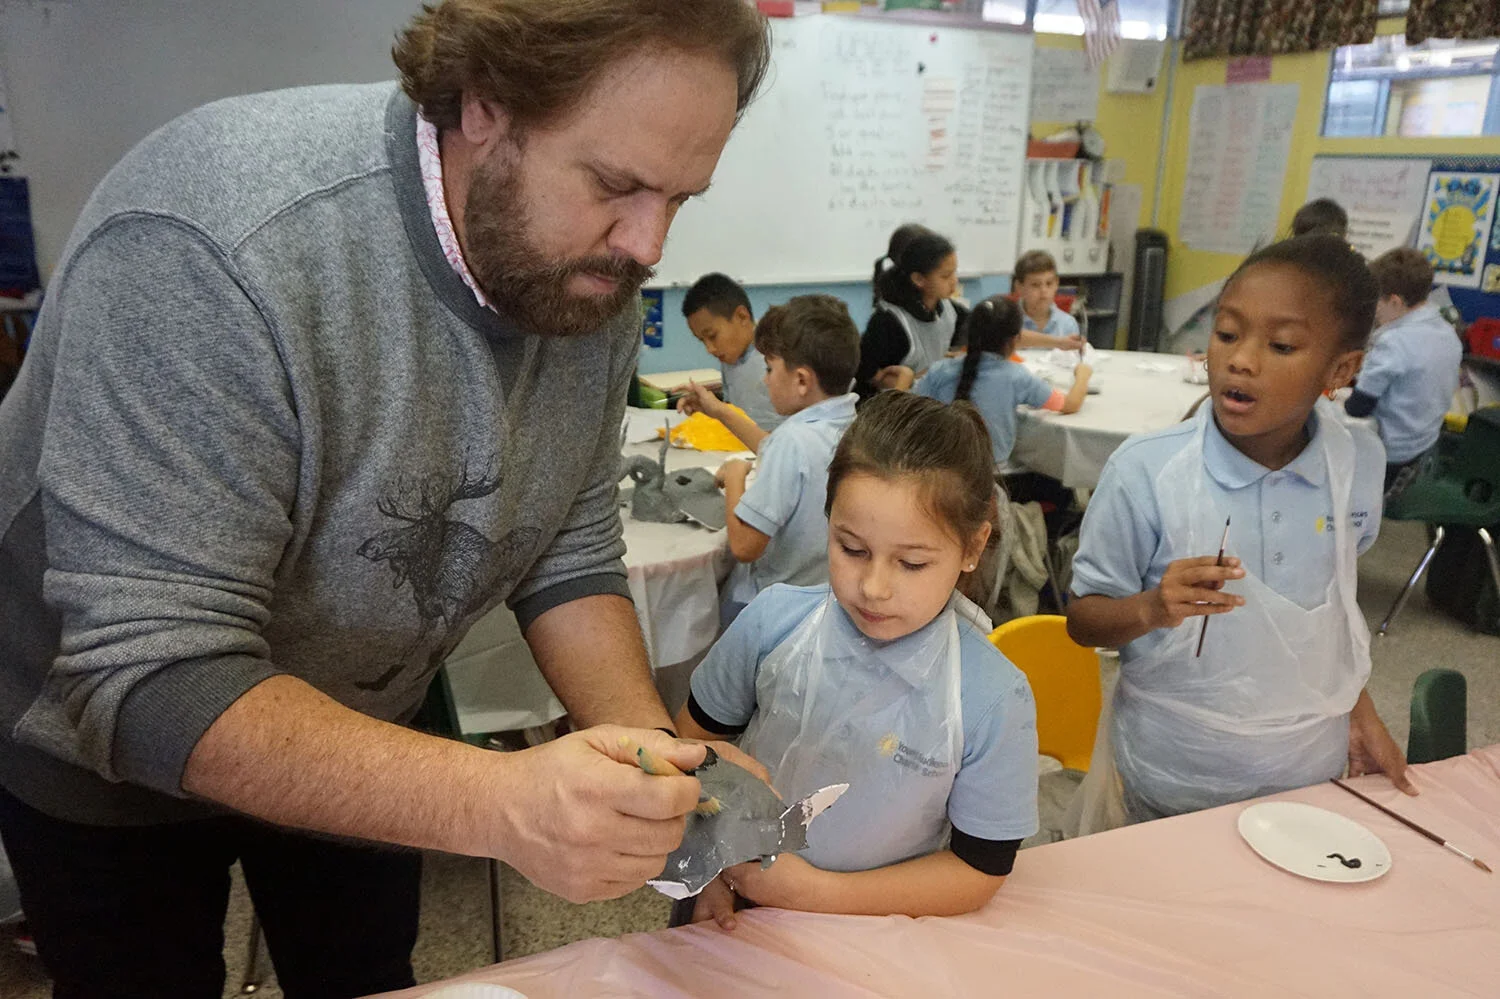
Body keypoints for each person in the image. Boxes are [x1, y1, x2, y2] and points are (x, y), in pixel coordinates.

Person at [0, 2, 772, 995]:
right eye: (615, 184)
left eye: (681, 198)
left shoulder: (591, 272)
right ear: (484, 105)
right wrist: (506, 802)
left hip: (361, 715)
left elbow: (568, 551)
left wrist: (658, 764)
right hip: (101, 759)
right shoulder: (214, 241)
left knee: (365, 969)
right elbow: (155, 677)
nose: (648, 243)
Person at [1065, 234, 1414, 831]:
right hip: (1174, 775)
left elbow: (1331, 607)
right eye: (1227, 333)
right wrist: (1152, 607)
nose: (1241, 360)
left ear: (1341, 369)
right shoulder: (1146, 472)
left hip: (1309, 770)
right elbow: (1083, 619)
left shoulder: (1355, 463)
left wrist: (1361, 713)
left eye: (1281, 346)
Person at [678, 391, 1038, 927]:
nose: (873, 587)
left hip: (875, 926)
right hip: (728, 899)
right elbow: (688, 748)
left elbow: (978, 869)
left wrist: (814, 892)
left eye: (911, 563)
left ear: (972, 547)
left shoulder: (992, 698)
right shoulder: (771, 623)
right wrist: (708, 865)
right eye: (852, 549)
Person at [717, 295, 860, 621]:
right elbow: (778, 450)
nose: (765, 379)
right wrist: (720, 411)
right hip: (824, 602)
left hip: (773, 609)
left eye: (770, 368)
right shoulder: (852, 425)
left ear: (802, 381)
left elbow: (744, 546)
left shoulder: (791, 442)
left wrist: (735, 477)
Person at [911, 296, 1091, 467]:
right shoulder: (1016, 376)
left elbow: (913, 407)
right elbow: (1070, 404)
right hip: (993, 472)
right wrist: (1082, 376)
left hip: (936, 466)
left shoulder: (940, 370)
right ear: (1015, 340)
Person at [1345, 247, 1462, 495]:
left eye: (1376, 303)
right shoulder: (1447, 333)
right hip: (1424, 445)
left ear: (1395, 302)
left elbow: (1357, 407)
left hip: (1390, 454)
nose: (1374, 311)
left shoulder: (1394, 342)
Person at [855, 228, 968, 397]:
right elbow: (867, 372)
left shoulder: (950, 310)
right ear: (918, 279)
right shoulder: (888, 321)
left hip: (928, 399)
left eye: (954, 272)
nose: (954, 281)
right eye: (945, 276)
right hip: (891, 404)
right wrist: (914, 380)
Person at [676, 272, 779, 452]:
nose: (710, 349)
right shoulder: (732, 356)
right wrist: (709, 410)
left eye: (712, 336)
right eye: (702, 341)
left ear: (742, 317)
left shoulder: (777, 358)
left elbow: (777, 442)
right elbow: (737, 412)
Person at [1012, 250, 1086, 350]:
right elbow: (1010, 340)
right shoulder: (1007, 320)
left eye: (1049, 283)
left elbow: (1073, 357)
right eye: (1035, 285)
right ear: (1019, 287)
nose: (1044, 291)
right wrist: (1059, 342)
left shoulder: (1068, 323)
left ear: (1057, 284)